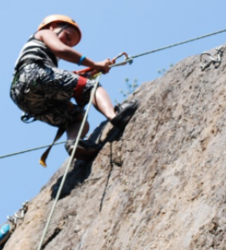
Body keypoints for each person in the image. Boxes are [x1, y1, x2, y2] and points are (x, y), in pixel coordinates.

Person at [10, 14, 138, 161]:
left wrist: (89, 72)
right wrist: (94, 64)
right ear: (53, 26)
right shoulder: (45, 33)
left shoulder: (39, 54)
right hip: (33, 74)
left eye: (70, 44)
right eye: (68, 37)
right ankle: (115, 116)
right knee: (91, 87)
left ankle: (74, 143)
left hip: (23, 96)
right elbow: (61, 50)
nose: (67, 44)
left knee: (76, 117)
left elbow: (58, 81)